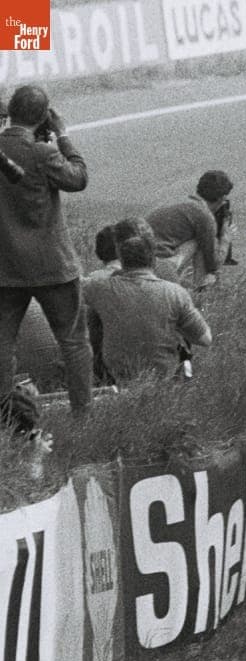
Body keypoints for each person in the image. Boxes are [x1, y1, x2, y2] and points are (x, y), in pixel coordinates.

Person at [0, 84, 93, 414]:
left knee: (2, 344)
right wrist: (63, 137)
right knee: (74, 342)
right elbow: (78, 178)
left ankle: (6, 418)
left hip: (6, 268)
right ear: (44, 119)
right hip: (52, 265)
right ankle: (83, 414)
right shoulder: (44, 153)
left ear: (9, 111)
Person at [82, 227, 212, 384]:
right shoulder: (176, 293)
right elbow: (205, 339)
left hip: (114, 376)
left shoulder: (100, 288)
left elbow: (71, 288)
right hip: (164, 378)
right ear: (153, 260)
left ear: (122, 260)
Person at [145, 170, 234, 290]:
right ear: (221, 198)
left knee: (197, 240)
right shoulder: (204, 215)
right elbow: (214, 263)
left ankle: (194, 287)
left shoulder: (179, 202)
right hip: (159, 264)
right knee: (201, 242)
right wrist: (225, 238)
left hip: (138, 258)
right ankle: (200, 292)